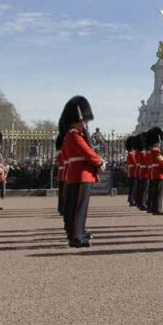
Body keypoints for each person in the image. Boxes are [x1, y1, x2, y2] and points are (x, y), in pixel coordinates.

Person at [60, 96, 105, 248]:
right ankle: (76, 237)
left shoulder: (72, 135)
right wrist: (100, 162)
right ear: (77, 121)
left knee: (77, 207)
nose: (86, 125)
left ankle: (77, 232)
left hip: (79, 173)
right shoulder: (73, 135)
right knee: (79, 207)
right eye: (84, 122)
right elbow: (87, 152)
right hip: (80, 174)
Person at [145, 127, 163, 215]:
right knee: (158, 193)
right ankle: (158, 209)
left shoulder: (150, 152)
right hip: (159, 174)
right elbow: (162, 162)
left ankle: (152, 208)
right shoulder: (156, 152)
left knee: (153, 192)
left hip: (153, 174)